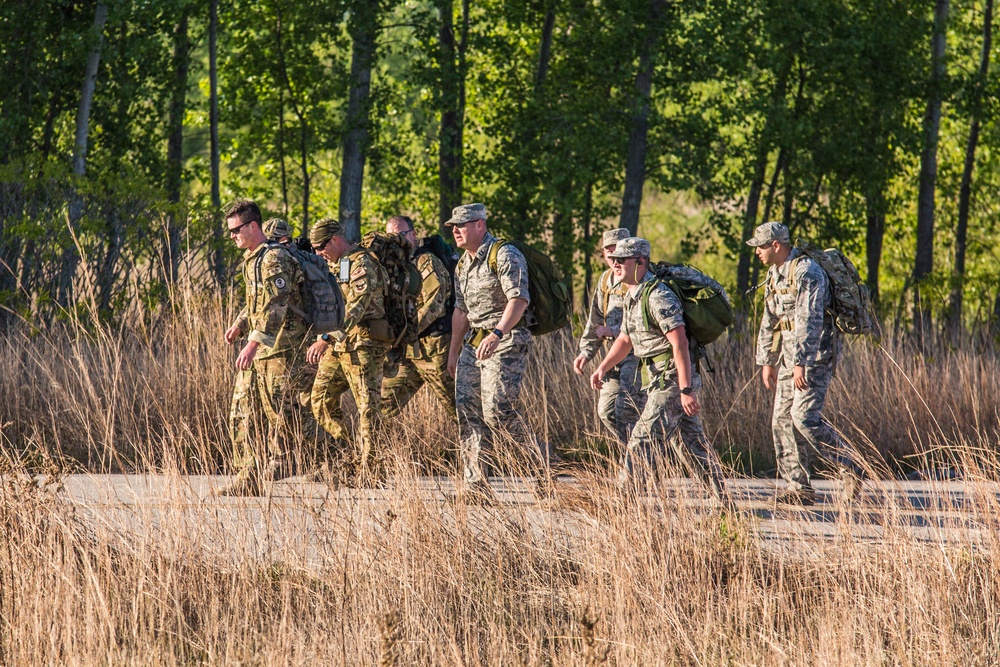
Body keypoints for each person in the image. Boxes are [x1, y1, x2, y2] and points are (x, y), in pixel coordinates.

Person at [590, 237, 728, 502]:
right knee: (691, 444)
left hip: (672, 380)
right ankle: (723, 502)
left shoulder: (658, 295)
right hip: (656, 378)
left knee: (642, 440)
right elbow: (625, 339)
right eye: (614, 259)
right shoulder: (632, 294)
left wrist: (686, 389)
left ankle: (626, 506)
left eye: (622, 260)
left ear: (640, 262)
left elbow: (680, 343)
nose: (615, 264)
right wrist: (603, 367)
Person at [748, 221, 863, 505]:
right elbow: (770, 319)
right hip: (789, 356)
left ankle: (851, 467)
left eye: (761, 247)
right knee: (782, 421)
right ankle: (798, 489)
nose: (757, 253)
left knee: (804, 418)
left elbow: (810, 319)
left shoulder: (807, 272)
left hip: (814, 355)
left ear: (776, 245)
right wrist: (767, 361)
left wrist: (802, 361)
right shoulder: (775, 274)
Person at [218, 200, 319, 496]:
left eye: (236, 229)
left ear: (253, 226)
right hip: (262, 348)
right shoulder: (253, 258)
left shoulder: (274, 258)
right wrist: (239, 323)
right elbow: (256, 302)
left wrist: (252, 343)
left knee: (288, 416)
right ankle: (248, 476)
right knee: (243, 412)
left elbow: (277, 306)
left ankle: (332, 461)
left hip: (282, 350)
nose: (232, 235)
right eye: (230, 231)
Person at [445, 203, 547, 493]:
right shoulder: (462, 263)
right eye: (453, 226)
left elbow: (519, 299)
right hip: (473, 343)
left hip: (506, 339)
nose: (455, 230)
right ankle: (476, 484)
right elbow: (461, 311)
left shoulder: (504, 254)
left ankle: (542, 468)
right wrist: (453, 353)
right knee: (468, 410)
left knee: (498, 410)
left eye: (462, 225)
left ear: (480, 225)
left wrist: (497, 333)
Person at [306, 218, 391, 479]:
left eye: (321, 247)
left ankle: (372, 470)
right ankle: (348, 453)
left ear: (335, 239)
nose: (319, 253)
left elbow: (358, 305)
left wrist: (327, 337)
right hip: (341, 343)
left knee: (367, 407)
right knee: (319, 400)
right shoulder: (338, 263)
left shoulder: (361, 262)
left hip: (364, 343)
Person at [381, 215, 457, 420]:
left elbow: (435, 304)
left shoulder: (426, 260)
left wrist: (407, 332)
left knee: (459, 408)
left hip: (435, 347)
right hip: (411, 349)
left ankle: (489, 448)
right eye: (390, 238)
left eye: (399, 235)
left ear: (413, 234)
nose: (395, 242)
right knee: (382, 405)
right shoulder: (401, 265)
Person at [573, 228, 645, 444]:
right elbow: (595, 320)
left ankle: (641, 465)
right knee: (607, 412)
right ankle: (638, 458)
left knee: (627, 412)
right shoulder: (606, 280)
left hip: (638, 357)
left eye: (618, 252)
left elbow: (642, 323)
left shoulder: (642, 279)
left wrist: (613, 331)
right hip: (613, 358)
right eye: (608, 252)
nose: (613, 258)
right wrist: (586, 352)